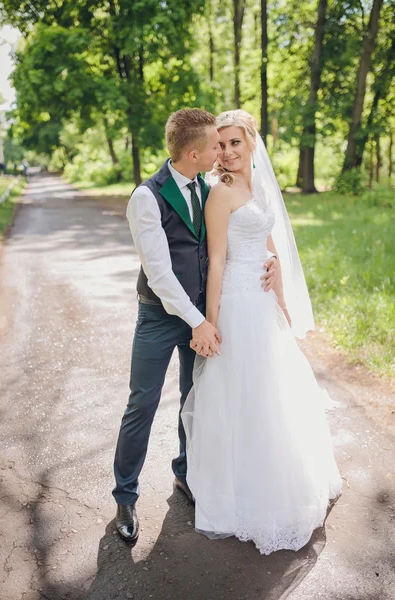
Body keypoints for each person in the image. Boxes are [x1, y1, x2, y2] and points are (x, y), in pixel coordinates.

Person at [182, 110, 343, 555]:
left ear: (252, 143)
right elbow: (216, 261)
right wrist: (210, 321)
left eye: (236, 142)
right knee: (241, 395)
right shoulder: (221, 193)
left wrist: (280, 288)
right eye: (222, 144)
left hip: (264, 301)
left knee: (274, 393)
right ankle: (241, 493)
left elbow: (268, 240)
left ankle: (280, 477)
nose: (228, 152)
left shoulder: (261, 187)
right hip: (235, 303)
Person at [112, 108, 277, 542]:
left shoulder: (209, 187)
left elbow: (235, 239)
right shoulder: (145, 198)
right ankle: (125, 497)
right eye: (215, 146)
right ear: (193, 152)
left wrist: (269, 259)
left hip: (201, 317)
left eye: (227, 144)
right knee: (141, 404)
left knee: (196, 396)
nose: (222, 151)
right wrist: (200, 321)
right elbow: (161, 274)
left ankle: (185, 474)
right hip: (160, 316)